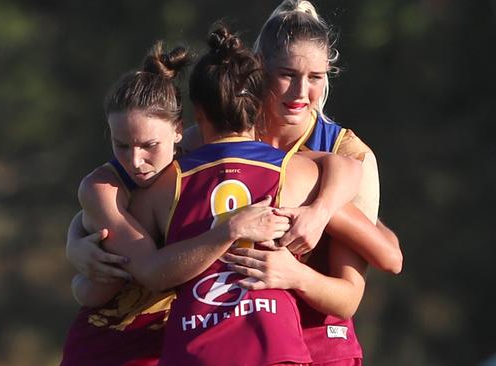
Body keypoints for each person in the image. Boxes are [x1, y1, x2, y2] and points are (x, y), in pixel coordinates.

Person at [122, 25, 366, 365]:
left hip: (197, 352)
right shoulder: (296, 172)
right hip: (275, 351)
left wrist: (79, 239)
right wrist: (321, 211)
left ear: (197, 113)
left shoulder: (165, 184)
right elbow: (352, 169)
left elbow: (145, 269)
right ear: (258, 104)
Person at [60, 41, 295, 366]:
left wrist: (321, 207)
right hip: (108, 347)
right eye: (121, 145)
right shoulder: (103, 187)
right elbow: (148, 274)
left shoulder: (201, 152)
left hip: (171, 344)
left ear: (179, 130)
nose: (135, 160)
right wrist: (232, 228)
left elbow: (338, 165)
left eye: (148, 145)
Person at [227, 1, 403, 365]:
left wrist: (297, 269)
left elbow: (365, 281)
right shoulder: (224, 135)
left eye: (316, 77)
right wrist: (81, 238)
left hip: (318, 343)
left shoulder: (349, 153)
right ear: (259, 66)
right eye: (287, 74)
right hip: (233, 337)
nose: (301, 92)